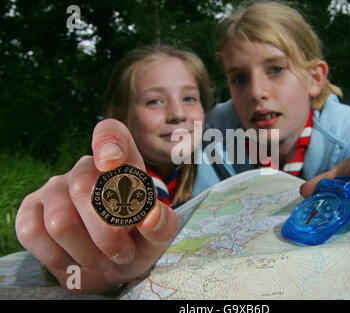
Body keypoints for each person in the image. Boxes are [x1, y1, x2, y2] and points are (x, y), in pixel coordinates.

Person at [193, 0, 350, 227]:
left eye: (276, 69)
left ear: (314, 78)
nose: (256, 91)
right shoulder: (214, 134)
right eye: (239, 77)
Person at [15, 44, 212, 294]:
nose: (177, 113)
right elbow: (76, 264)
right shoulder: (112, 180)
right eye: (154, 101)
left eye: (189, 98)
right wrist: (97, 262)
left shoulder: (217, 164)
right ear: (119, 117)